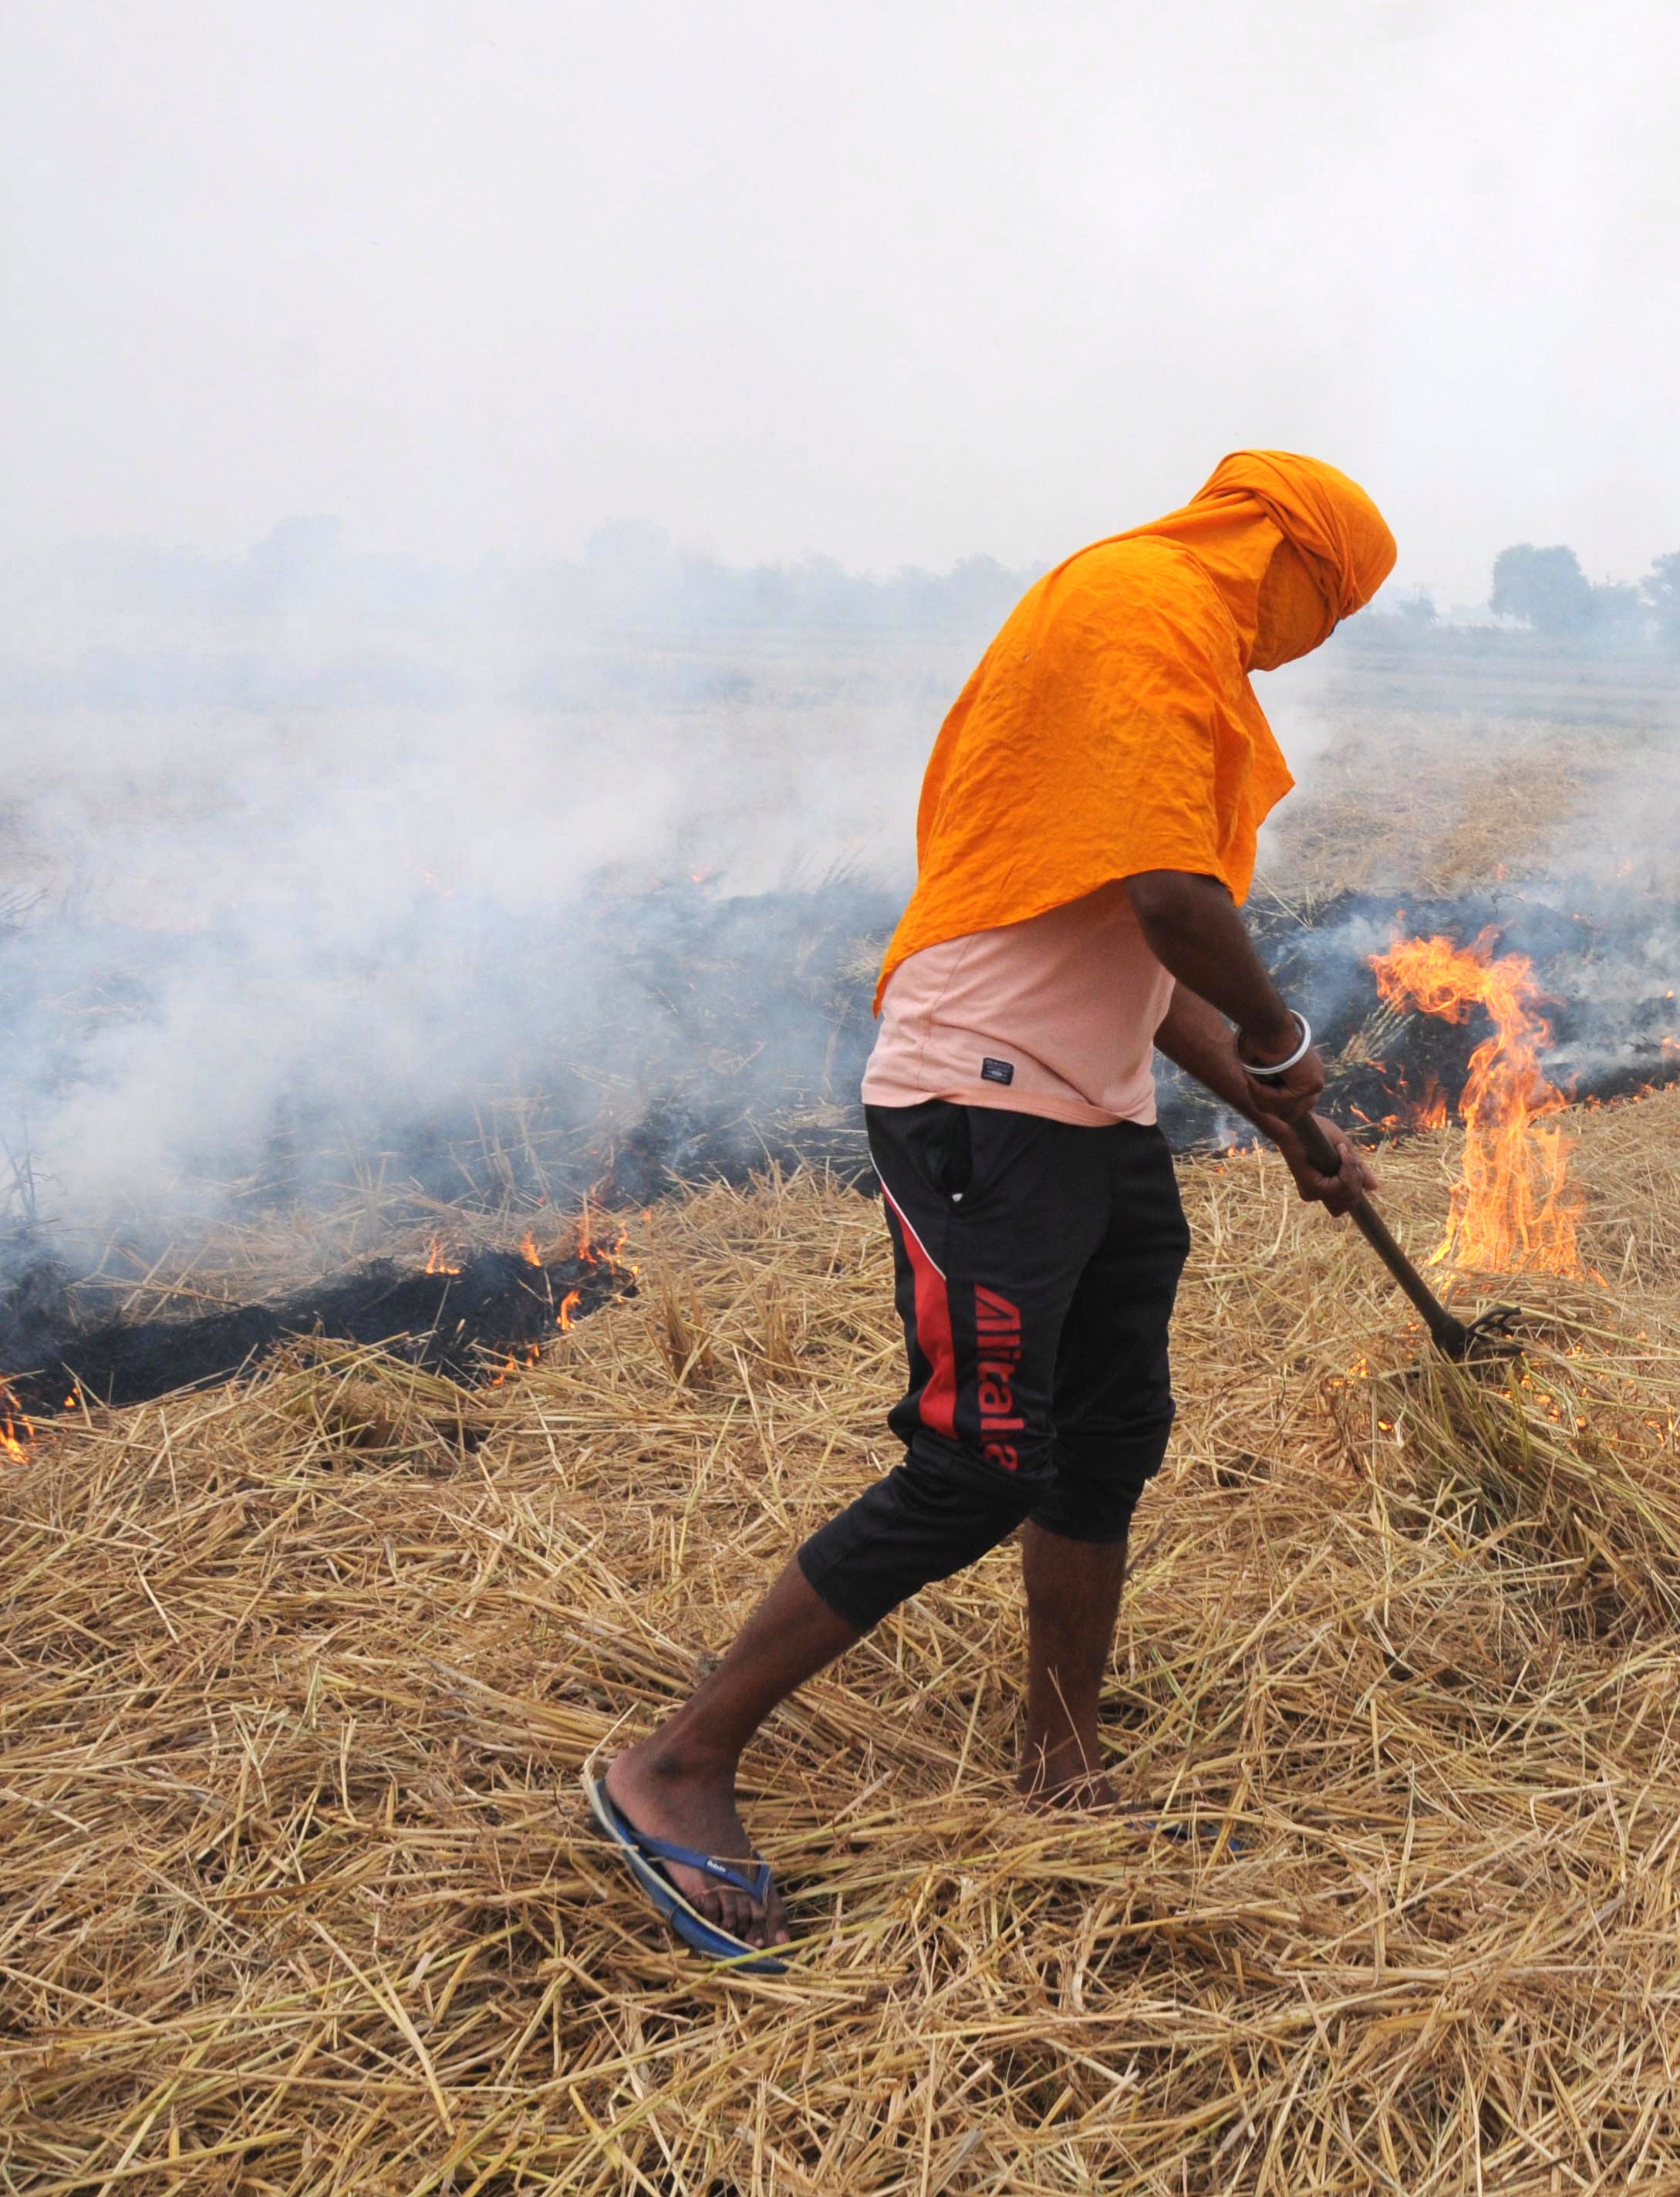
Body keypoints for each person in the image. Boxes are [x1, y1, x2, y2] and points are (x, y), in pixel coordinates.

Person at [589, 451, 1395, 1964]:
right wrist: (1286, 1039)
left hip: (1089, 1111)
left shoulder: (1175, 643)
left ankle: (1063, 1757)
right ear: (1283, 551)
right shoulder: (1140, 604)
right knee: (976, 1458)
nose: (1318, 637)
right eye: (1331, 603)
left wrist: (1278, 1116)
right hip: (979, 1097)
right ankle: (674, 1762)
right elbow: (1168, 894)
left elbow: (1140, 964)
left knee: (1105, 1440)